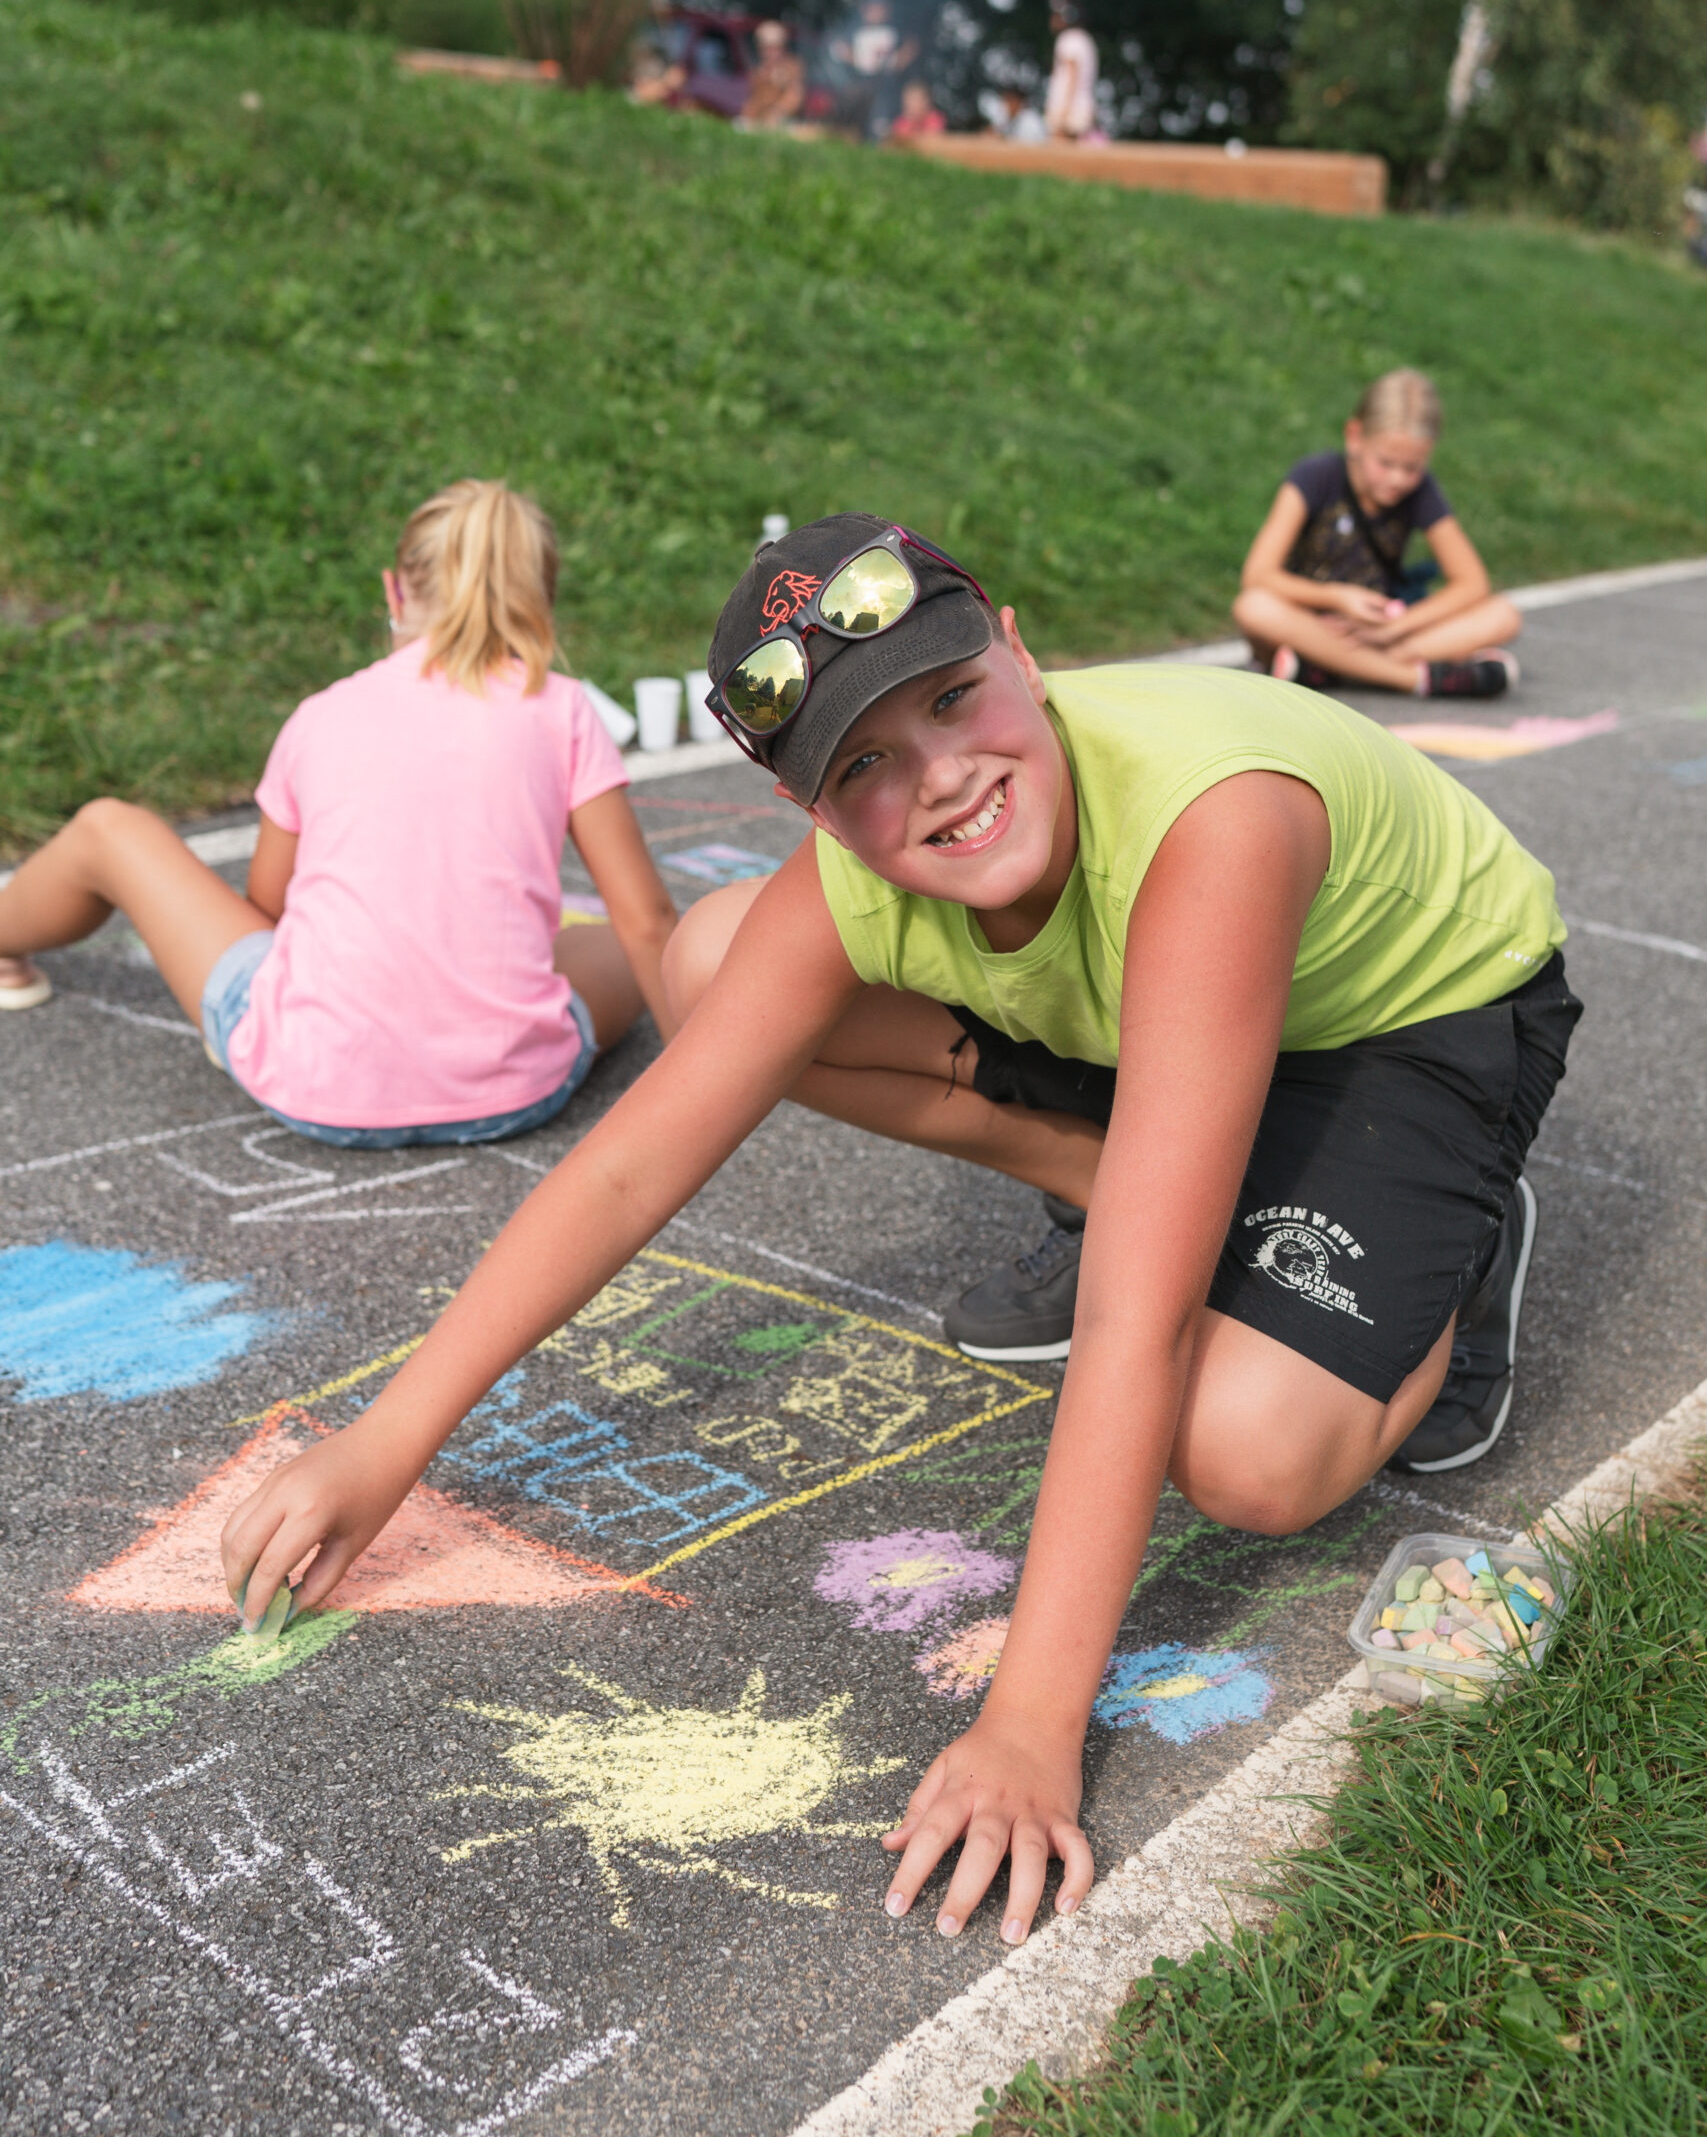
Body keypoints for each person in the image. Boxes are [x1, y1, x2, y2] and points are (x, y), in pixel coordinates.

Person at [222, 514, 1579, 1946]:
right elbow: (627, 1171)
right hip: (1154, 1011)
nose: (938, 777)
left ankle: (1453, 1247)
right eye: (861, 766)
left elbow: (1132, 1322)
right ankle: (1140, 1173)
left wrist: (1029, 1722)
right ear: (809, 810)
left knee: (1244, 1451)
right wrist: (389, 1438)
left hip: (1398, 1024)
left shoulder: (1214, 819)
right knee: (711, 963)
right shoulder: (866, 871)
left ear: (1020, 652)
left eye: (951, 697)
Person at [0, 481, 678, 1143]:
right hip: (519, 1094)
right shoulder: (563, 708)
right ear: (541, 598)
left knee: (109, 827)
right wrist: (691, 1089)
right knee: (619, 939)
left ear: (394, 592)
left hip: (311, 1084)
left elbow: (269, 909)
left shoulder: (321, 716)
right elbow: (646, 920)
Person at [1235, 369, 1523, 696]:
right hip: (1311, 625)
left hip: (1378, 634)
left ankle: (1327, 669)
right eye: (1386, 463)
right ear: (1355, 436)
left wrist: (1395, 627)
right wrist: (1336, 597)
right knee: (1254, 607)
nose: (1398, 479)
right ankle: (1414, 678)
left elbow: (1472, 583)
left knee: (1504, 615)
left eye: (1412, 468)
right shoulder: (1316, 475)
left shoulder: (1421, 492)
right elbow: (1257, 575)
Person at [831, 0, 915, 138]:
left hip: (887, 84)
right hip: (861, 83)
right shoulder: (854, 32)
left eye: (879, 7)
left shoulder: (894, 31)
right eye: (872, 7)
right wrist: (852, 57)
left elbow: (910, 47)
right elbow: (841, 50)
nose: (875, 12)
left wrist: (899, 60)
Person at [1045, 0, 1100, 142]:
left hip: (1070, 107)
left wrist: (1064, 111)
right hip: (1081, 105)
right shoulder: (1084, 39)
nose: (1052, 19)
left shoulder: (1069, 39)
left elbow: (1072, 76)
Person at [738, 22, 806, 130]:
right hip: (760, 120)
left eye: (773, 48)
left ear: (781, 48)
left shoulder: (791, 67)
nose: (769, 53)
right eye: (765, 48)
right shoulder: (758, 71)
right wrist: (748, 115)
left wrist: (777, 113)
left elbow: (794, 96)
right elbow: (754, 100)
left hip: (783, 121)